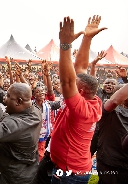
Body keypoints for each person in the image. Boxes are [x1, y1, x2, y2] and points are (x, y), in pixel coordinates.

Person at [50, 15, 105, 183]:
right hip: (75, 167)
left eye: (75, 83)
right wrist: (87, 38)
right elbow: (80, 67)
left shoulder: (81, 109)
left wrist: (65, 45)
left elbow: (67, 80)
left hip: (69, 173)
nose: (74, 78)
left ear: (79, 90)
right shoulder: (92, 99)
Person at [95, 83, 128, 184]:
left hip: (111, 163)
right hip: (110, 163)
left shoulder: (108, 111)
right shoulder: (110, 112)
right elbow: (114, 101)